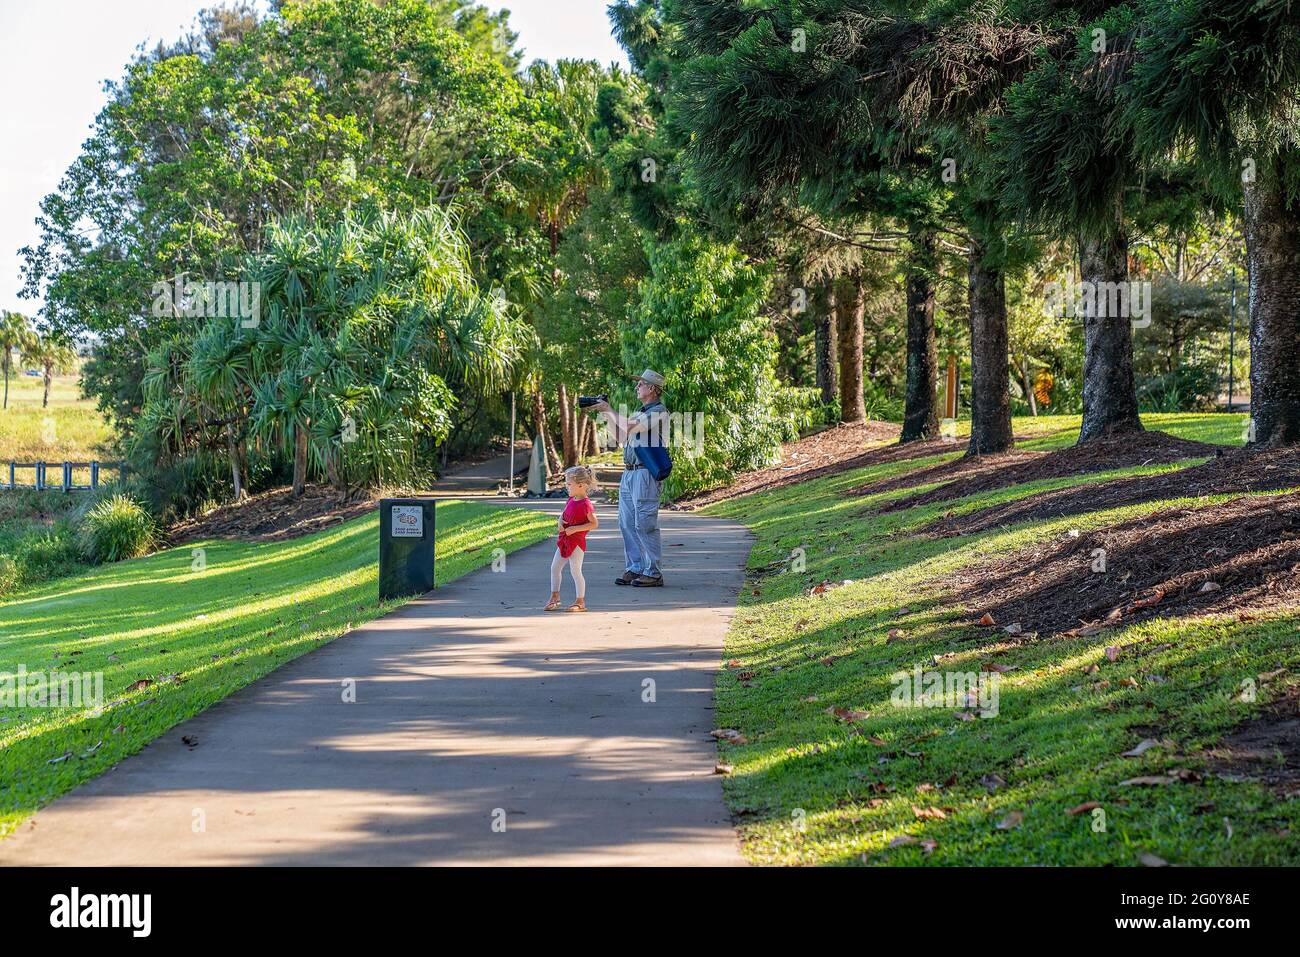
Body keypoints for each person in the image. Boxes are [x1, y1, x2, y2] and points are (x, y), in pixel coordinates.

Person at [593, 369, 667, 587]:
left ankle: (653, 572)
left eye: (640, 384)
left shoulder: (658, 412)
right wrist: (606, 413)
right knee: (626, 522)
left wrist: (609, 409)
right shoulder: (640, 412)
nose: (637, 387)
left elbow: (629, 426)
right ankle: (635, 568)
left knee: (644, 523)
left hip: (645, 473)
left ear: (652, 388)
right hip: (629, 472)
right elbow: (621, 436)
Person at [544, 465, 599, 612]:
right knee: (555, 568)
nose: (567, 487)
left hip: (576, 543)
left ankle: (580, 601)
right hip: (564, 540)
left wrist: (575, 529)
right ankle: (555, 597)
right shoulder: (571, 499)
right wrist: (560, 521)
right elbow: (563, 514)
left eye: (569, 484)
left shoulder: (586, 504)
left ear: (580, 485)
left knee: (575, 571)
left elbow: (594, 524)